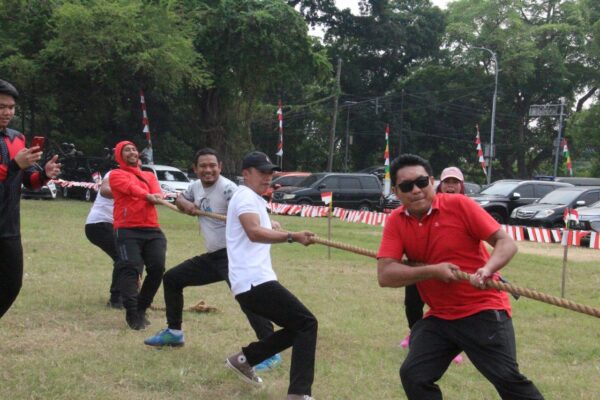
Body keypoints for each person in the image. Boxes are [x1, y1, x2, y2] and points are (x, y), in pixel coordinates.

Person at [377, 154, 543, 400]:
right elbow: (385, 275)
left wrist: (487, 269)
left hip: (482, 309)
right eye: (407, 186)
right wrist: (433, 271)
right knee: (414, 375)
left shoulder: (459, 205)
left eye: (421, 182)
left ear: (432, 181)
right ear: (396, 192)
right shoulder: (396, 221)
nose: (416, 190)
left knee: (508, 380)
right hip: (441, 315)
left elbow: (506, 243)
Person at [144, 148, 281, 371]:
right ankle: (174, 333)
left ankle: (270, 350)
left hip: (232, 257)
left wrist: (268, 222)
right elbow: (180, 198)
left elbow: (250, 208)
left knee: (248, 300)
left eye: (212, 166)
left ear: (220, 167)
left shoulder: (229, 189)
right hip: (214, 257)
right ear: (195, 169)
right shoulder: (195, 187)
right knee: (172, 279)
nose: (208, 170)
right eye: (203, 166)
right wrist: (185, 204)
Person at [224, 151, 317, 400]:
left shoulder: (252, 198)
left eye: (270, 172)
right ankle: (299, 394)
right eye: (262, 172)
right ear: (246, 173)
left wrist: (270, 223)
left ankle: (244, 360)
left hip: (251, 281)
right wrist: (292, 236)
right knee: (307, 323)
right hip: (254, 281)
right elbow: (253, 232)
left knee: (299, 326)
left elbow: (255, 226)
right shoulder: (245, 196)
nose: (268, 177)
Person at [0, 79, 61, 319]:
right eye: (1, 106)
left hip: (9, 226)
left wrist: (44, 174)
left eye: (11, 107)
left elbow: (28, 180)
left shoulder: (17, 138)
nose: (7, 112)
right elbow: (12, 169)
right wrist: (15, 165)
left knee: (11, 284)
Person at [400, 166, 466, 367]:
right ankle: (414, 334)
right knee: (412, 303)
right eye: (447, 182)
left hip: (450, 268)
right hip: (420, 265)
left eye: (455, 182)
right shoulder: (427, 204)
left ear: (461, 186)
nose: (451, 186)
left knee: (446, 307)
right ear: (439, 184)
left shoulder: (466, 207)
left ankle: (451, 347)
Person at [107, 140, 166, 330]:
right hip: (127, 229)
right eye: (126, 150)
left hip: (152, 229)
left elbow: (157, 192)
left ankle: (142, 308)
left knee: (157, 268)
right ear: (119, 155)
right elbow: (130, 188)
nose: (132, 152)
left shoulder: (149, 175)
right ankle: (132, 313)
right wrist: (147, 195)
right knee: (131, 268)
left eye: (133, 149)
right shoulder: (116, 175)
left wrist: (157, 196)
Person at [85, 170, 122, 309]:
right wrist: (127, 193)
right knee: (123, 256)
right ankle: (117, 300)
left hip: (116, 225)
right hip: (99, 223)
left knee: (133, 256)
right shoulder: (115, 173)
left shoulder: (139, 179)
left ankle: (130, 294)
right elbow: (104, 190)